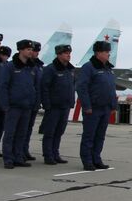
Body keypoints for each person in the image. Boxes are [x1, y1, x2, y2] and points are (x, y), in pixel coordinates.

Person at [77, 41, 117, 171]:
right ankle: (87, 161)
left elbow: (111, 88)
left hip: (105, 108)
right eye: (106, 52)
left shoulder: (108, 69)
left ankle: (96, 159)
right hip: (93, 109)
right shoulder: (88, 67)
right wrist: (87, 106)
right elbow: (82, 88)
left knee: (100, 136)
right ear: (98, 53)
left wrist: (113, 105)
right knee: (89, 135)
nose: (108, 54)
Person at [0, 40, 38, 168]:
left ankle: (18, 157)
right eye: (27, 49)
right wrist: (5, 105)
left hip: (26, 106)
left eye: (31, 50)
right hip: (13, 106)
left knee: (22, 133)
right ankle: (8, 159)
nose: (30, 52)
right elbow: (2, 86)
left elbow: (34, 86)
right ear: (20, 50)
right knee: (10, 133)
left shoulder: (32, 67)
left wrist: (33, 101)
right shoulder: (11, 66)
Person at [41, 44, 75, 165]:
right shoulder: (51, 69)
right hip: (53, 106)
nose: (68, 55)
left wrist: (71, 101)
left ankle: (55, 153)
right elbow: (44, 87)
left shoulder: (70, 69)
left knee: (59, 131)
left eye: (69, 53)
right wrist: (46, 104)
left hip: (65, 106)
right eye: (66, 53)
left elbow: (71, 86)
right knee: (50, 132)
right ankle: (48, 155)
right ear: (59, 54)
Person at [22, 41, 43, 161]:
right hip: (25, 102)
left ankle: (25, 149)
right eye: (34, 50)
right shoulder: (25, 65)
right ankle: (18, 151)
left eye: (36, 51)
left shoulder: (39, 66)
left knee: (29, 128)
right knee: (21, 129)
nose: (35, 53)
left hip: (34, 102)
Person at [0, 46, 12, 157]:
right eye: (3, 55)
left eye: (6, 55)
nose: (4, 57)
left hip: (2, 101)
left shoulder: (7, 65)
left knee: (0, 126)